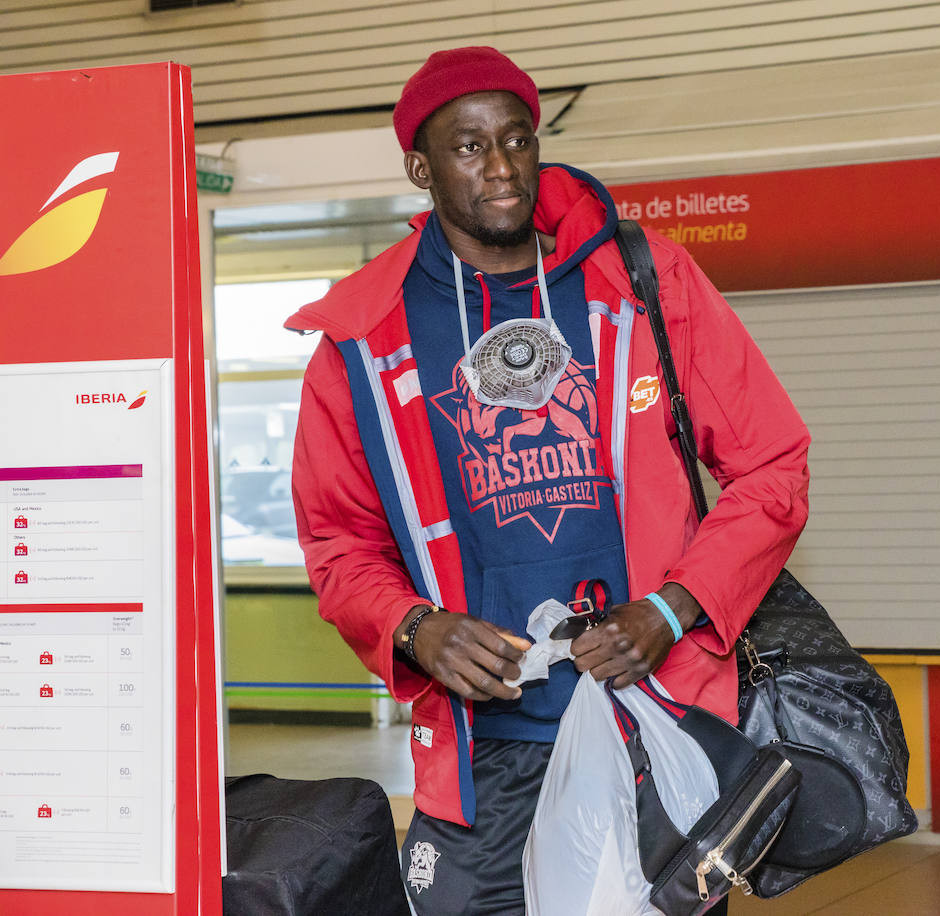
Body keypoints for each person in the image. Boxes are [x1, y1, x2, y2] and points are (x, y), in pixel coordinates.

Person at [286, 47, 810, 914]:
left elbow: (773, 466)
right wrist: (417, 628)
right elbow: (340, 543)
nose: (501, 167)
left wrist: (671, 608)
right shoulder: (363, 339)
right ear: (420, 167)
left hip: (654, 720)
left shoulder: (646, 283)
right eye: (468, 147)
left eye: (518, 139)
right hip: (480, 749)